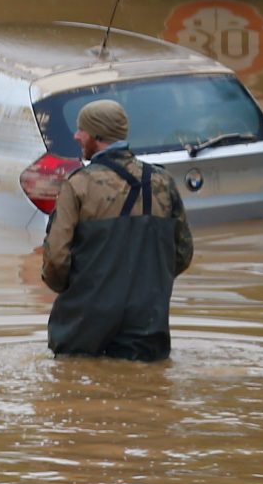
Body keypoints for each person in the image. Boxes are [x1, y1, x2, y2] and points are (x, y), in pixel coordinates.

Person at [40, 98, 195, 360]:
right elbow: (182, 253)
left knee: (75, 392)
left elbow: (56, 259)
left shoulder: (78, 186)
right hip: (147, 324)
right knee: (144, 392)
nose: (76, 136)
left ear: (98, 136)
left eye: (82, 130)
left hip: (83, 326)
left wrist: (80, 291)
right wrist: (145, 285)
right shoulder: (162, 182)